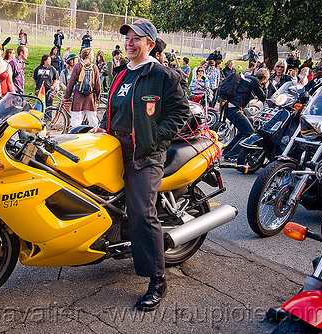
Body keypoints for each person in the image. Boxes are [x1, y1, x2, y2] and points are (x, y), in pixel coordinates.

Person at [91, 19, 190, 311]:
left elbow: (180, 113)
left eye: (136, 38)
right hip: (113, 145)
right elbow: (116, 109)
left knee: (142, 211)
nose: (129, 42)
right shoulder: (122, 73)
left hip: (144, 154)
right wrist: (103, 128)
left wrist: (153, 138)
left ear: (149, 44)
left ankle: (157, 279)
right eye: (127, 38)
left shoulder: (163, 75)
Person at [222, 69, 269, 162]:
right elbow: (262, 97)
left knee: (242, 132)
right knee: (249, 133)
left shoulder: (247, 78)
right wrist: (266, 87)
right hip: (235, 109)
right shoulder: (255, 81)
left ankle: (227, 151)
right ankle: (231, 155)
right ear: (264, 79)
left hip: (229, 107)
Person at [64, 47, 100, 127]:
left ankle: (76, 137)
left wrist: (67, 95)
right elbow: (97, 85)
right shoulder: (94, 67)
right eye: (92, 54)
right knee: (93, 122)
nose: (93, 56)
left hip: (78, 98)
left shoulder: (77, 66)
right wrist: (97, 97)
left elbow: (71, 83)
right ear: (89, 56)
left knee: (75, 123)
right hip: (90, 98)